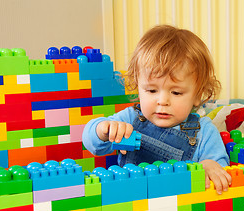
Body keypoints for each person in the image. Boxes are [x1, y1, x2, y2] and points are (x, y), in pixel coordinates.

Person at [82, 25, 231, 194]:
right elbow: (91, 143)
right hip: (129, 203)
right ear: (138, 88)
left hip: (178, 209)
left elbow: (222, 172)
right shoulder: (131, 118)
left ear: (198, 95)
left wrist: (211, 165)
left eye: (176, 92)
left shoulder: (204, 131)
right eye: (152, 90)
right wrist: (103, 129)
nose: (162, 101)